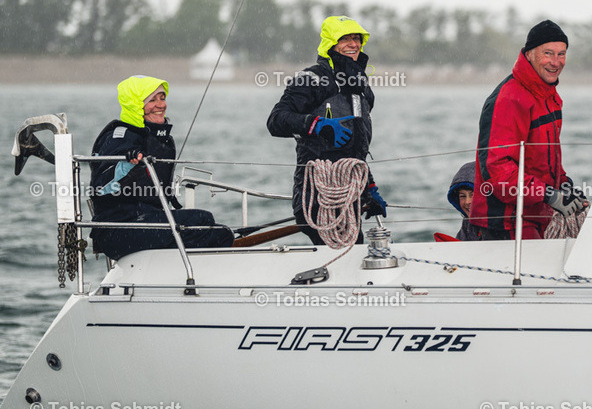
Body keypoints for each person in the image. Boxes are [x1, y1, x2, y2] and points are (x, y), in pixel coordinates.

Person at [267, 16, 387, 245]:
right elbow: (276, 120)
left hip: (350, 196)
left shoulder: (361, 87)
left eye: (357, 38)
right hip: (316, 195)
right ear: (330, 43)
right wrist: (317, 125)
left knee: (354, 249)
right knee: (345, 253)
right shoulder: (311, 79)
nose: (354, 44)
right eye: (345, 39)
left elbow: (357, 147)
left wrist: (369, 186)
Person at [89, 76, 234, 259]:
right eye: (152, 100)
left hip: (145, 220)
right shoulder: (121, 136)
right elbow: (101, 187)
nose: (160, 104)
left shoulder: (157, 137)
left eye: (162, 97)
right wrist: (126, 166)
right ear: (135, 105)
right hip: (118, 229)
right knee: (216, 231)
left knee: (208, 223)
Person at [469, 20, 587, 240]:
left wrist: (565, 187)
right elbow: (498, 170)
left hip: (536, 213)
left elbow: (546, 160)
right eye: (548, 53)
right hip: (505, 222)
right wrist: (548, 195)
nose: (556, 62)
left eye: (561, 54)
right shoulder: (509, 98)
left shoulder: (548, 95)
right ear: (529, 54)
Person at [445, 161, 475, 241]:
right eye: (462, 196)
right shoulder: (467, 223)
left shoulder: (500, 222)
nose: (467, 202)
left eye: (473, 195)